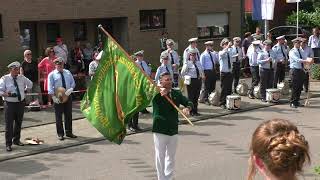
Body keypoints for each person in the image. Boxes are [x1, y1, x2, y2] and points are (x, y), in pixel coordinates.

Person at [152, 72, 193, 180]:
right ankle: (161, 178)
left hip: (173, 129)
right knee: (160, 156)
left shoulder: (176, 93)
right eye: (166, 80)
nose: (169, 81)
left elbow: (188, 101)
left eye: (170, 79)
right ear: (161, 81)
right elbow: (148, 94)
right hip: (160, 129)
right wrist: (158, 90)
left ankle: (168, 177)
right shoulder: (155, 92)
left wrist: (187, 108)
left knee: (171, 156)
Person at [0, 61, 33, 151]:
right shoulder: (4, 79)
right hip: (9, 104)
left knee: (18, 123)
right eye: (15, 69)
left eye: (17, 69)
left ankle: (16, 140)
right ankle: (8, 144)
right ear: (10, 70)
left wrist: (24, 90)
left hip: (20, 103)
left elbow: (30, 84)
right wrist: (6, 94)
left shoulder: (21, 78)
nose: (16, 71)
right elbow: (0, 91)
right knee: (9, 125)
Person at [48, 58, 77, 140]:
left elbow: (73, 83)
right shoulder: (52, 74)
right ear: (55, 65)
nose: (60, 65)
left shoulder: (68, 72)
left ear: (63, 64)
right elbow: (50, 87)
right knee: (58, 116)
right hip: (58, 96)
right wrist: (53, 97)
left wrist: (71, 89)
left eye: (61, 64)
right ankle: (60, 133)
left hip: (68, 95)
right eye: (58, 64)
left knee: (68, 115)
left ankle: (69, 132)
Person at [289, 38, 313, 108]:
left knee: (299, 87)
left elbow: (305, 57)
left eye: (300, 43)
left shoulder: (301, 50)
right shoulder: (292, 51)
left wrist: (310, 60)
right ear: (294, 43)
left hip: (301, 70)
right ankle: (292, 102)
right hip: (295, 70)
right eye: (298, 43)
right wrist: (306, 61)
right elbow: (297, 60)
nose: (299, 44)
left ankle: (297, 101)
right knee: (295, 87)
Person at [181, 48, 204, 116]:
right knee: (191, 97)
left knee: (196, 96)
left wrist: (202, 76)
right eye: (191, 55)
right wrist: (186, 78)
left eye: (194, 55)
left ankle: (195, 111)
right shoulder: (187, 64)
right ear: (189, 56)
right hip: (191, 81)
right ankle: (191, 111)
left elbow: (201, 71)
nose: (193, 57)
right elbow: (182, 73)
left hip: (198, 80)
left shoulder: (198, 62)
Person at [218, 38, 235, 109]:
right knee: (224, 88)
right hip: (224, 73)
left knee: (229, 88)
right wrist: (227, 47)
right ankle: (222, 102)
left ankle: (228, 102)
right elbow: (222, 54)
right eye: (225, 44)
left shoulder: (229, 52)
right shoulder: (220, 52)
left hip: (229, 72)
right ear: (223, 45)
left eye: (227, 43)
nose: (227, 45)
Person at [135, 50, 151, 114]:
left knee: (145, 95)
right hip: (139, 81)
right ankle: (140, 109)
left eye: (142, 56)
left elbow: (147, 71)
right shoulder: (135, 63)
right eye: (140, 56)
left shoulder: (144, 63)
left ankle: (144, 108)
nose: (141, 57)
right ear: (136, 57)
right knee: (140, 95)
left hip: (145, 80)